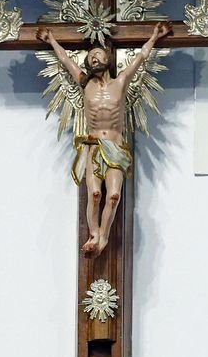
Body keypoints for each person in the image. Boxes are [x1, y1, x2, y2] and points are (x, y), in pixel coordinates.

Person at [38, 23, 170, 258]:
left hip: (115, 147)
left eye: (98, 55)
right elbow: (66, 61)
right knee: (95, 194)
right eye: (91, 57)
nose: (94, 59)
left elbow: (141, 57)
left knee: (113, 196)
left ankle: (104, 236)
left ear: (108, 60)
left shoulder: (121, 82)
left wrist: (154, 36)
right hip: (94, 146)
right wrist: (51, 40)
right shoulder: (85, 83)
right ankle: (93, 235)